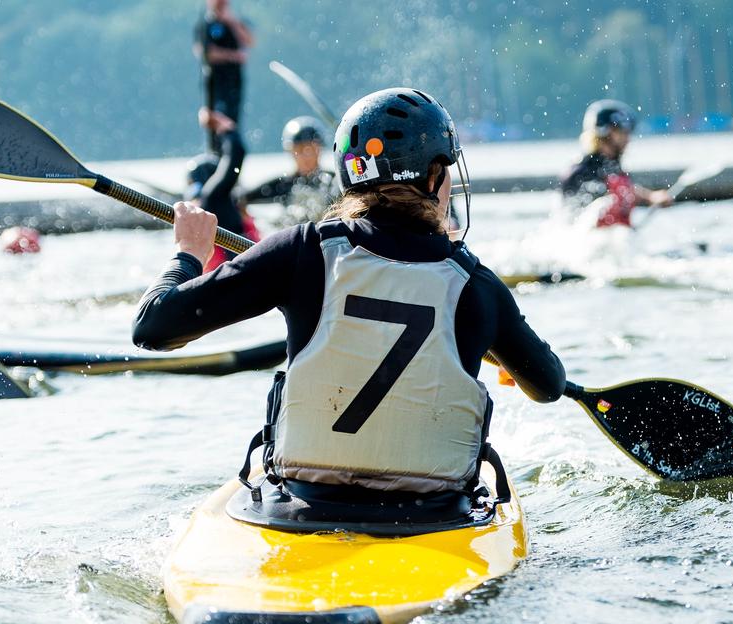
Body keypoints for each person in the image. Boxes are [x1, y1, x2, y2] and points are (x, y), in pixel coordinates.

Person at [134, 88, 565, 522]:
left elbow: (152, 327)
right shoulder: (477, 287)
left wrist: (188, 253)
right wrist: (502, 346)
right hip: (434, 517)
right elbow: (548, 386)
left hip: (303, 508)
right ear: (434, 176)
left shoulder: (301, 251)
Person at [560, 99, 673, 228]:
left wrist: (651, 197)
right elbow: (609, 196)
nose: (627, 138)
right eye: (621, 132)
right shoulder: (581, 172)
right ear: (604, 132)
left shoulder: (611, 167)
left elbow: (623, 190)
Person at [184, 109, 259, 271]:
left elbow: (235, 158)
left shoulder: (212, 200)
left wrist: (223, 126)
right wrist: (225, 127)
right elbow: (236, 157)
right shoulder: (212, 200)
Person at [240, 116, 337, 227]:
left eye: (310, 149)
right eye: (299, 150)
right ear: (291, 152)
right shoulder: (284, 184)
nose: (306, 156)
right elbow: (241, 199)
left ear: (319, 149)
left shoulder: (333, 181)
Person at [193, 0, 254, 153]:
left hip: (235, 83)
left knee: (233, 121)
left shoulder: (236, 23)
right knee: (217, 118)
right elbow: (206, 53)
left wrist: (231, 21)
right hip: (215, 84)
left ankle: (231, 155)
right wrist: (233, 56)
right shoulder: (205, 24)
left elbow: (249, 42)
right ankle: (215, 154)